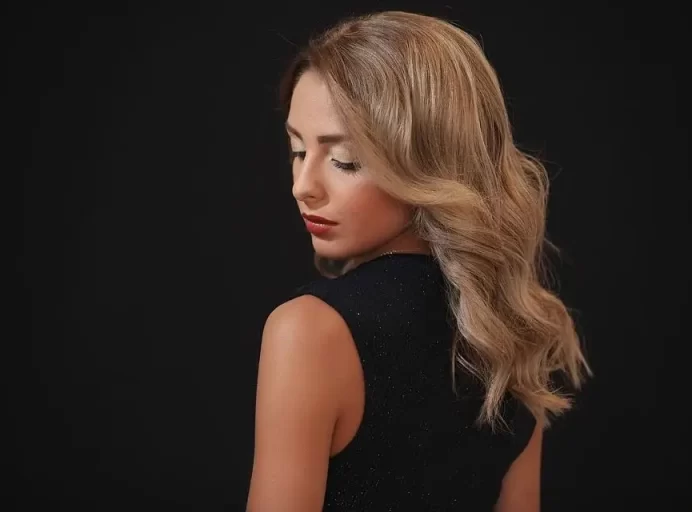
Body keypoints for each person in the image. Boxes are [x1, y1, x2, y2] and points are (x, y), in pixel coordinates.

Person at [247, 10, 590, 511]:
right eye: (298, 151)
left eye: (344, 160)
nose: (303, 186)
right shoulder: (514, 334)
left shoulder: (310, 331)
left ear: (430, 161)